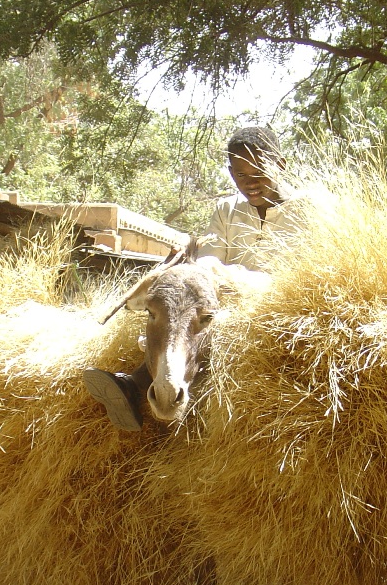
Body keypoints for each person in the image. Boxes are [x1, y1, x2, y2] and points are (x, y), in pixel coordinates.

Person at [83, 125, 297, 431]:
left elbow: (291, 279)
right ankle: (141, 384)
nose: (250, 183)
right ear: (230, 171)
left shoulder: (310, 209)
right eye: (239, 174)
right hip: (220, 304)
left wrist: (222, 275)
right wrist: (190, 273)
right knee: (175, 305)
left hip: (273, 308)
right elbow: (209, 258)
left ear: (281, 165)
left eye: (259, 172)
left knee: (205, 318)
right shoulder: (226, 210)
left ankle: (141, 382)